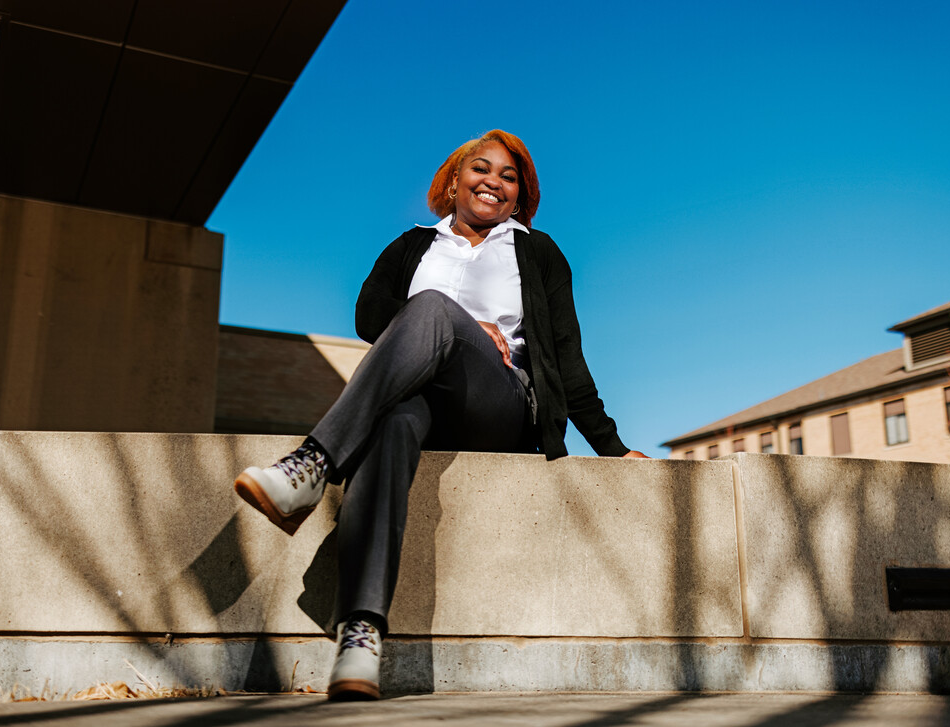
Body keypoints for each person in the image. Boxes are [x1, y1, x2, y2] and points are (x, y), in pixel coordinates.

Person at [234, 129, 648, 701]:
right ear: (453, 181)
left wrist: (612, 446)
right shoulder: (413, 245)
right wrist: (453, 326)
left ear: (519, 197)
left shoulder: (536, 251)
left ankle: (313, 461)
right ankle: (361, 634)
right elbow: (369, 316)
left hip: (500, 403)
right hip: (423, 402)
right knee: (395, 419)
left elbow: (567, 356)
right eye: (483, 169)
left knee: (433, 308)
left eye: (510, 178)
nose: (495, 183)